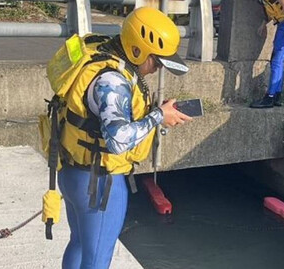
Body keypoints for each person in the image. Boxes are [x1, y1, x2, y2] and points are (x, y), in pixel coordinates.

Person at [54, 7, 192, 269]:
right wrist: (158, 117)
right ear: (137, 50)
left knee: (79, 244)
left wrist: (154, 111)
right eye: (156, 61)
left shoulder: (100, 55)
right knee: (97, 259)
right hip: (99, 182)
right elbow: (118, 141)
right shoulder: (113, 81)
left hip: (72, 171)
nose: (155, 69)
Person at [250, 0, 284, 108]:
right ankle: (276, 95)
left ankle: (269, 97)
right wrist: (264, 24)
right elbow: (271, 9)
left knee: (277, 61)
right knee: (276, 60)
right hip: (283, 23)